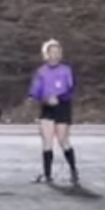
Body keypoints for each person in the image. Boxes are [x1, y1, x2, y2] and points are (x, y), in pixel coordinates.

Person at [29, 39, 79, 185]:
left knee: (63, 140)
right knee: (47, 142)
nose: (55, 55)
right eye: (52, 52)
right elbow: (34, 92)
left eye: (58, 52)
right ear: (47, 54)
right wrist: (44, 99)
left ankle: (74, 171)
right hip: (47, 108)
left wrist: (59, 98)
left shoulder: (66, 70)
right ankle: (47, 174)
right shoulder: (41, 71)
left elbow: (71, 89)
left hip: (62, 106)